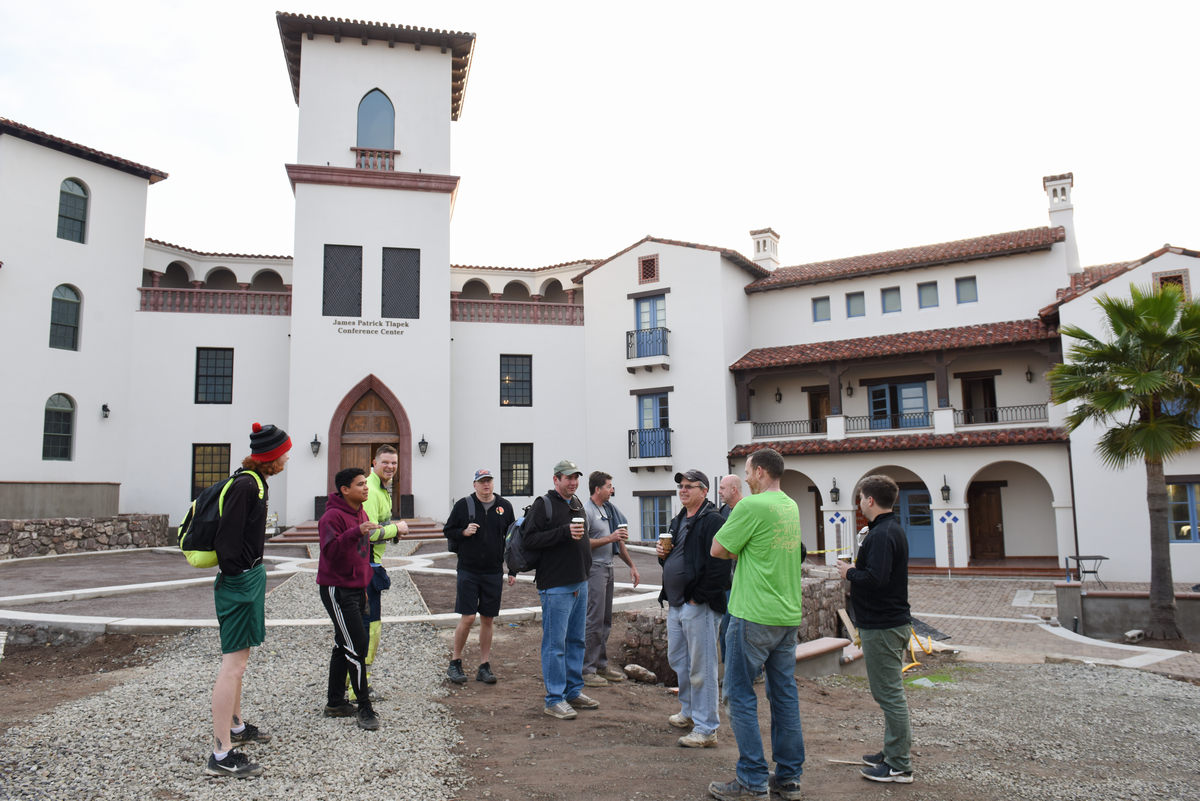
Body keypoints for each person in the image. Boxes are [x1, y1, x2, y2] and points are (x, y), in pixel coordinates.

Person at [709, 448, 806, 801]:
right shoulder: (790, 505)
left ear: (761, 471)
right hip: (786, 615)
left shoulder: (751, 506)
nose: (746, 477)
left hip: (752, 614)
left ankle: (751, 779)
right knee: (784, 695)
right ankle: (789, 778)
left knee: (739, 694)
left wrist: (739, 548)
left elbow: (718, 549)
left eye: (748, 471)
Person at [206, 422, 291, 779]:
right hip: (240, 581)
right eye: (284, 453)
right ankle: (220, 753)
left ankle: (237, 727)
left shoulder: (256, 482)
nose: (287, 458)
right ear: (271, 457)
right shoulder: (246, 486)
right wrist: (240, 576)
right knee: (233, 665)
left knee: (240, 661)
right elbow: (226, 542)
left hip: (248, 577)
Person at [837, 474, 913, 784]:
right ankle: (891, 752)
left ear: (870, 500)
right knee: (888, 693)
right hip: (886, 623)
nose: (858, 503)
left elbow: (876, 579)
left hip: (884, 625)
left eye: (860, 498)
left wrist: (849, 572)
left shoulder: (882, 534)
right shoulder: (887, 529)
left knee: (889, 695)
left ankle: (899, 765)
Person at [656, 469, 730, 748]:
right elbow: (677, 558)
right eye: (681, 486)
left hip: (699, 605)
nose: (683, 490)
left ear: (704, 491)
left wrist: (697, 598)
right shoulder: (679, 519)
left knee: (702, 667)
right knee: (680, 662)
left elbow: (720, 565)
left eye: (690, 486)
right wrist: (662, 556)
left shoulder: (713, 520)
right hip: (677, 604)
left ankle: (707, 727)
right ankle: (689, 711)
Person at [523, 459, 598, 720]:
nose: (573, 482)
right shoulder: (543, 504)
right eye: (568, 478)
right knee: (555, 645)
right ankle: (554, 699)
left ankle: (573, 691)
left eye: (576, 477)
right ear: (556, 479)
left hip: (580, 582)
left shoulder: (576, 503)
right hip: (555, 586)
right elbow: (530, 539)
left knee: (576, 641)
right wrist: (564, 532)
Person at [317, 467, 381, 732]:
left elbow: (361, 553)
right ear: (345, 490)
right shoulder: (331, 517)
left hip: (356, 588)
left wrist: (363, 585)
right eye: (360, 484)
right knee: (357, 644)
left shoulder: (360, 512)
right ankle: (364, 707)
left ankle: (335, 703)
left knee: (342, 643)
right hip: (337, 589)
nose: (366, 487)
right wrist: (356, 531)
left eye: (366, 483)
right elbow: (330, 551)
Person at [442, 468, 516, 684]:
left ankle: (484, 666)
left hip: (493, 572)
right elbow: (448, 530)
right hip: (468, 570)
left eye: (489, 481)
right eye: (482, 481)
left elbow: (512, 540)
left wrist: (512, 570)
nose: (486, 485)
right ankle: (455, 663)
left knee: (487, 619)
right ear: (474, 485)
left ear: (493, 483)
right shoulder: (463, 505)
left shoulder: (505, 506)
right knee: (467, 617)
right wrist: (463, 532)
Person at [356, 444, 409, 702]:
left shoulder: (381, 489)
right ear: (374, 463)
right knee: (369, 628)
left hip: (371, 566)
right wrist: (396, 529)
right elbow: (368, 532)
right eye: (385, 462)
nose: (390, 467)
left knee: (368, 627)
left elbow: (378, 527)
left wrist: (392, 531)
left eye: (394, 463)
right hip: (365, 569)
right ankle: (359, 689)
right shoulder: (371, 489)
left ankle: (355, 684)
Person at [581, 471, 641, 687]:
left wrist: (632, 566)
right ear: (597, 489)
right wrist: (610, 538)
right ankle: (587, 669)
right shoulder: (586, 511)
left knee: (606, 620)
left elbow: (618, 542)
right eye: (608, 486)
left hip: (608, 569)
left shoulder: (607, 510)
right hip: (594, 570)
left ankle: (601, 665)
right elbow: (582, 543)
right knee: (594, 619)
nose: (612, 490)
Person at [716, 475, 744, 666]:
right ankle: (729, 671)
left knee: (742, 630)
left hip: (744, 583)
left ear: (734, 489)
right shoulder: (723, 511)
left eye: (722, 488)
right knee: (725, 629)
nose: (719, 491)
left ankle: (755, 673)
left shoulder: (748, 510)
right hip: (726, 583)